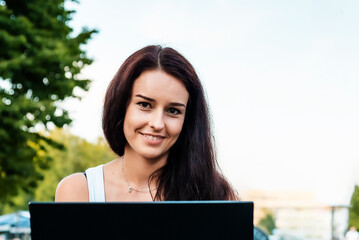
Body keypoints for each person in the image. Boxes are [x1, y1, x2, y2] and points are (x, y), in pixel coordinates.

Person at [55, 45, 238, 202]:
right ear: (121, 106)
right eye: (144, 105)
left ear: (188, 121)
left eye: (173, 111)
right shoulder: (78, 191)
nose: (157, 123)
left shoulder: (217, 195)